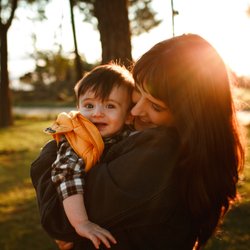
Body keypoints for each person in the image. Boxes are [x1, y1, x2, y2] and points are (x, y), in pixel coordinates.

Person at [31, 34, 244, 250]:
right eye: (136, 95)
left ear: (191, 115)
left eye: (156, 106)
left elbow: (57, 218)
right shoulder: (188, 152)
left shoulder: (160, 154)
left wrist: (55, 146)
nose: (135, 110)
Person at [42, 63, 135, 249]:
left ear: (128, 116)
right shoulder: (77, 140)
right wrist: (80, 223)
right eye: (89, 105)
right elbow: (66, 176)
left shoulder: (128, 135)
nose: (97, 113)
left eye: (110, 105)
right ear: (78, 109)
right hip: (77, 214)